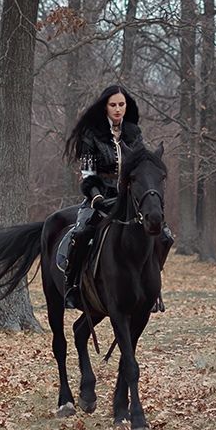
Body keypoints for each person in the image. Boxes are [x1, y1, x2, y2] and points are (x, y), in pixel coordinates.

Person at [57, 84, 142, 310]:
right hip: (100, 196)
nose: (117, 109)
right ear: (105, 106)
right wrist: (95, 197)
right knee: (82, 231)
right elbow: (88, 174)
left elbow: (141, 165)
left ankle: (152, 290)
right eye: (113, 105)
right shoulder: (91, 134)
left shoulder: (134, 132)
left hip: (129, 198)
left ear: (126, 106)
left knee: (161, 233)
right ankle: (73, 287)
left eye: (121, 105)